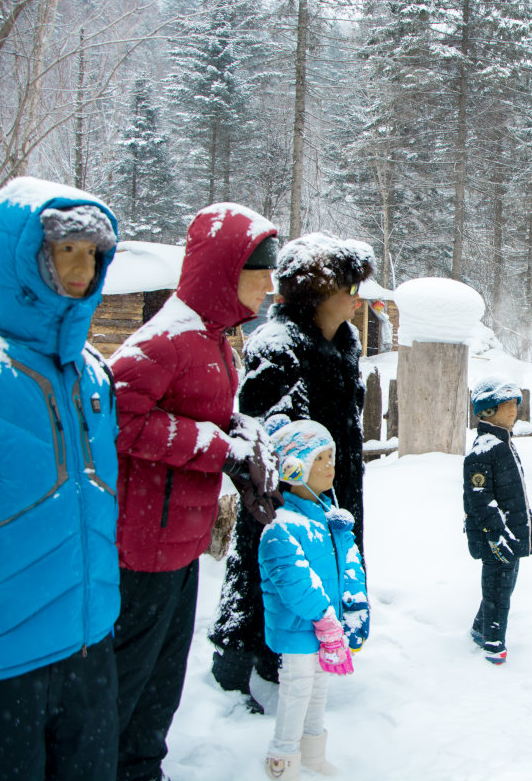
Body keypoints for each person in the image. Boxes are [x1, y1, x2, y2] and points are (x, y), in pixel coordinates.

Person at [0, 178, 120, 780]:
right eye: (67, 251)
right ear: (23, 257)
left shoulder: (94, 374)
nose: (83, 267)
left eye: (93, 253)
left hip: (90, 654)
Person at [110, 203, 283, 781]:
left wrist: (241, 436)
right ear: (224, 271)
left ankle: (143, 768)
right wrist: (217, 447)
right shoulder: (162, 341)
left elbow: (198, 416)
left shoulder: (212, 340)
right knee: (130, 682)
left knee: (162, 682)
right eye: (260, 271)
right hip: (142, 549)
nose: (269, 285)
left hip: (179, 545)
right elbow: (119, 420)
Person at [209, 232, 375, 709]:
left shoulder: (346, 342)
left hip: (334, 489)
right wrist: (292, 498)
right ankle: (246, 668)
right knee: (271, 577)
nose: (355, 299)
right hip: (284, 499)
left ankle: (306, 659)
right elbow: (271, 437)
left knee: (324, 577)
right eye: (350, 288)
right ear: (319, 293)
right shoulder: (278, 345)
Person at [258, 415, 368, 780]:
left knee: (319, 687)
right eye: (319, 459)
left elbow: (347, 567)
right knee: (297, 689)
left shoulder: (327, 519)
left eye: (330, 457)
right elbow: (295, 583)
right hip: (299, 628)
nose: (330, 466)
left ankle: (312, 752)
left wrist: (352, 609)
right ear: (294, 466)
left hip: (327, 629)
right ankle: (282, 758)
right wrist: (324, 618)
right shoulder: (282, 527)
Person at [463, 375, 532, 665]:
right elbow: (480, 500)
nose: (513, 411)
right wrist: (497, 533)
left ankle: (479, 627)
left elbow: (515, 494)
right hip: (496, 537)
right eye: (505, 405)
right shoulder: (483, 450)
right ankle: (493, 644)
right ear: (487, 411)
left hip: (513, 533)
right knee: (497, 590)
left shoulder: (505, 444)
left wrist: (528, 528)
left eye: (514, 404)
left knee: (503, 586)